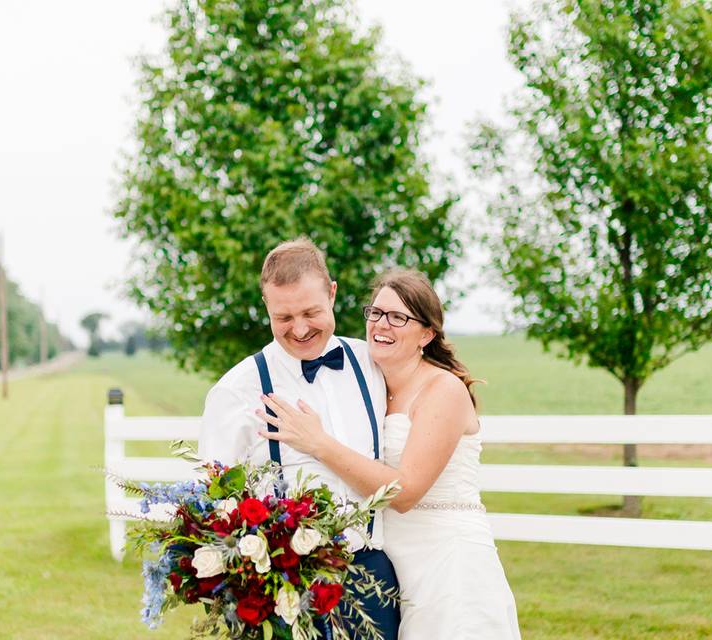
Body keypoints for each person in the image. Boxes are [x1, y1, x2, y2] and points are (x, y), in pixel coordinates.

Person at [257, 268, 521, 639]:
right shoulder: (374, 386)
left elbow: (405, 492)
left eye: (399, 317)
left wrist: (318, 443)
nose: (382, 324)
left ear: (427, 334)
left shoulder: (442, 390)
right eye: (376, 313)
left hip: (449, 564)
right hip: (398, 569)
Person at [198, 237, 400, 638]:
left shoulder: (372, 363)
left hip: (374, 577)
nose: (301, 329)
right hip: (286, 588)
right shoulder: (235, 390)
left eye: (311, 312)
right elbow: (212, 504)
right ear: (266, 307)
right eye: (284, 317)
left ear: (332, 293)